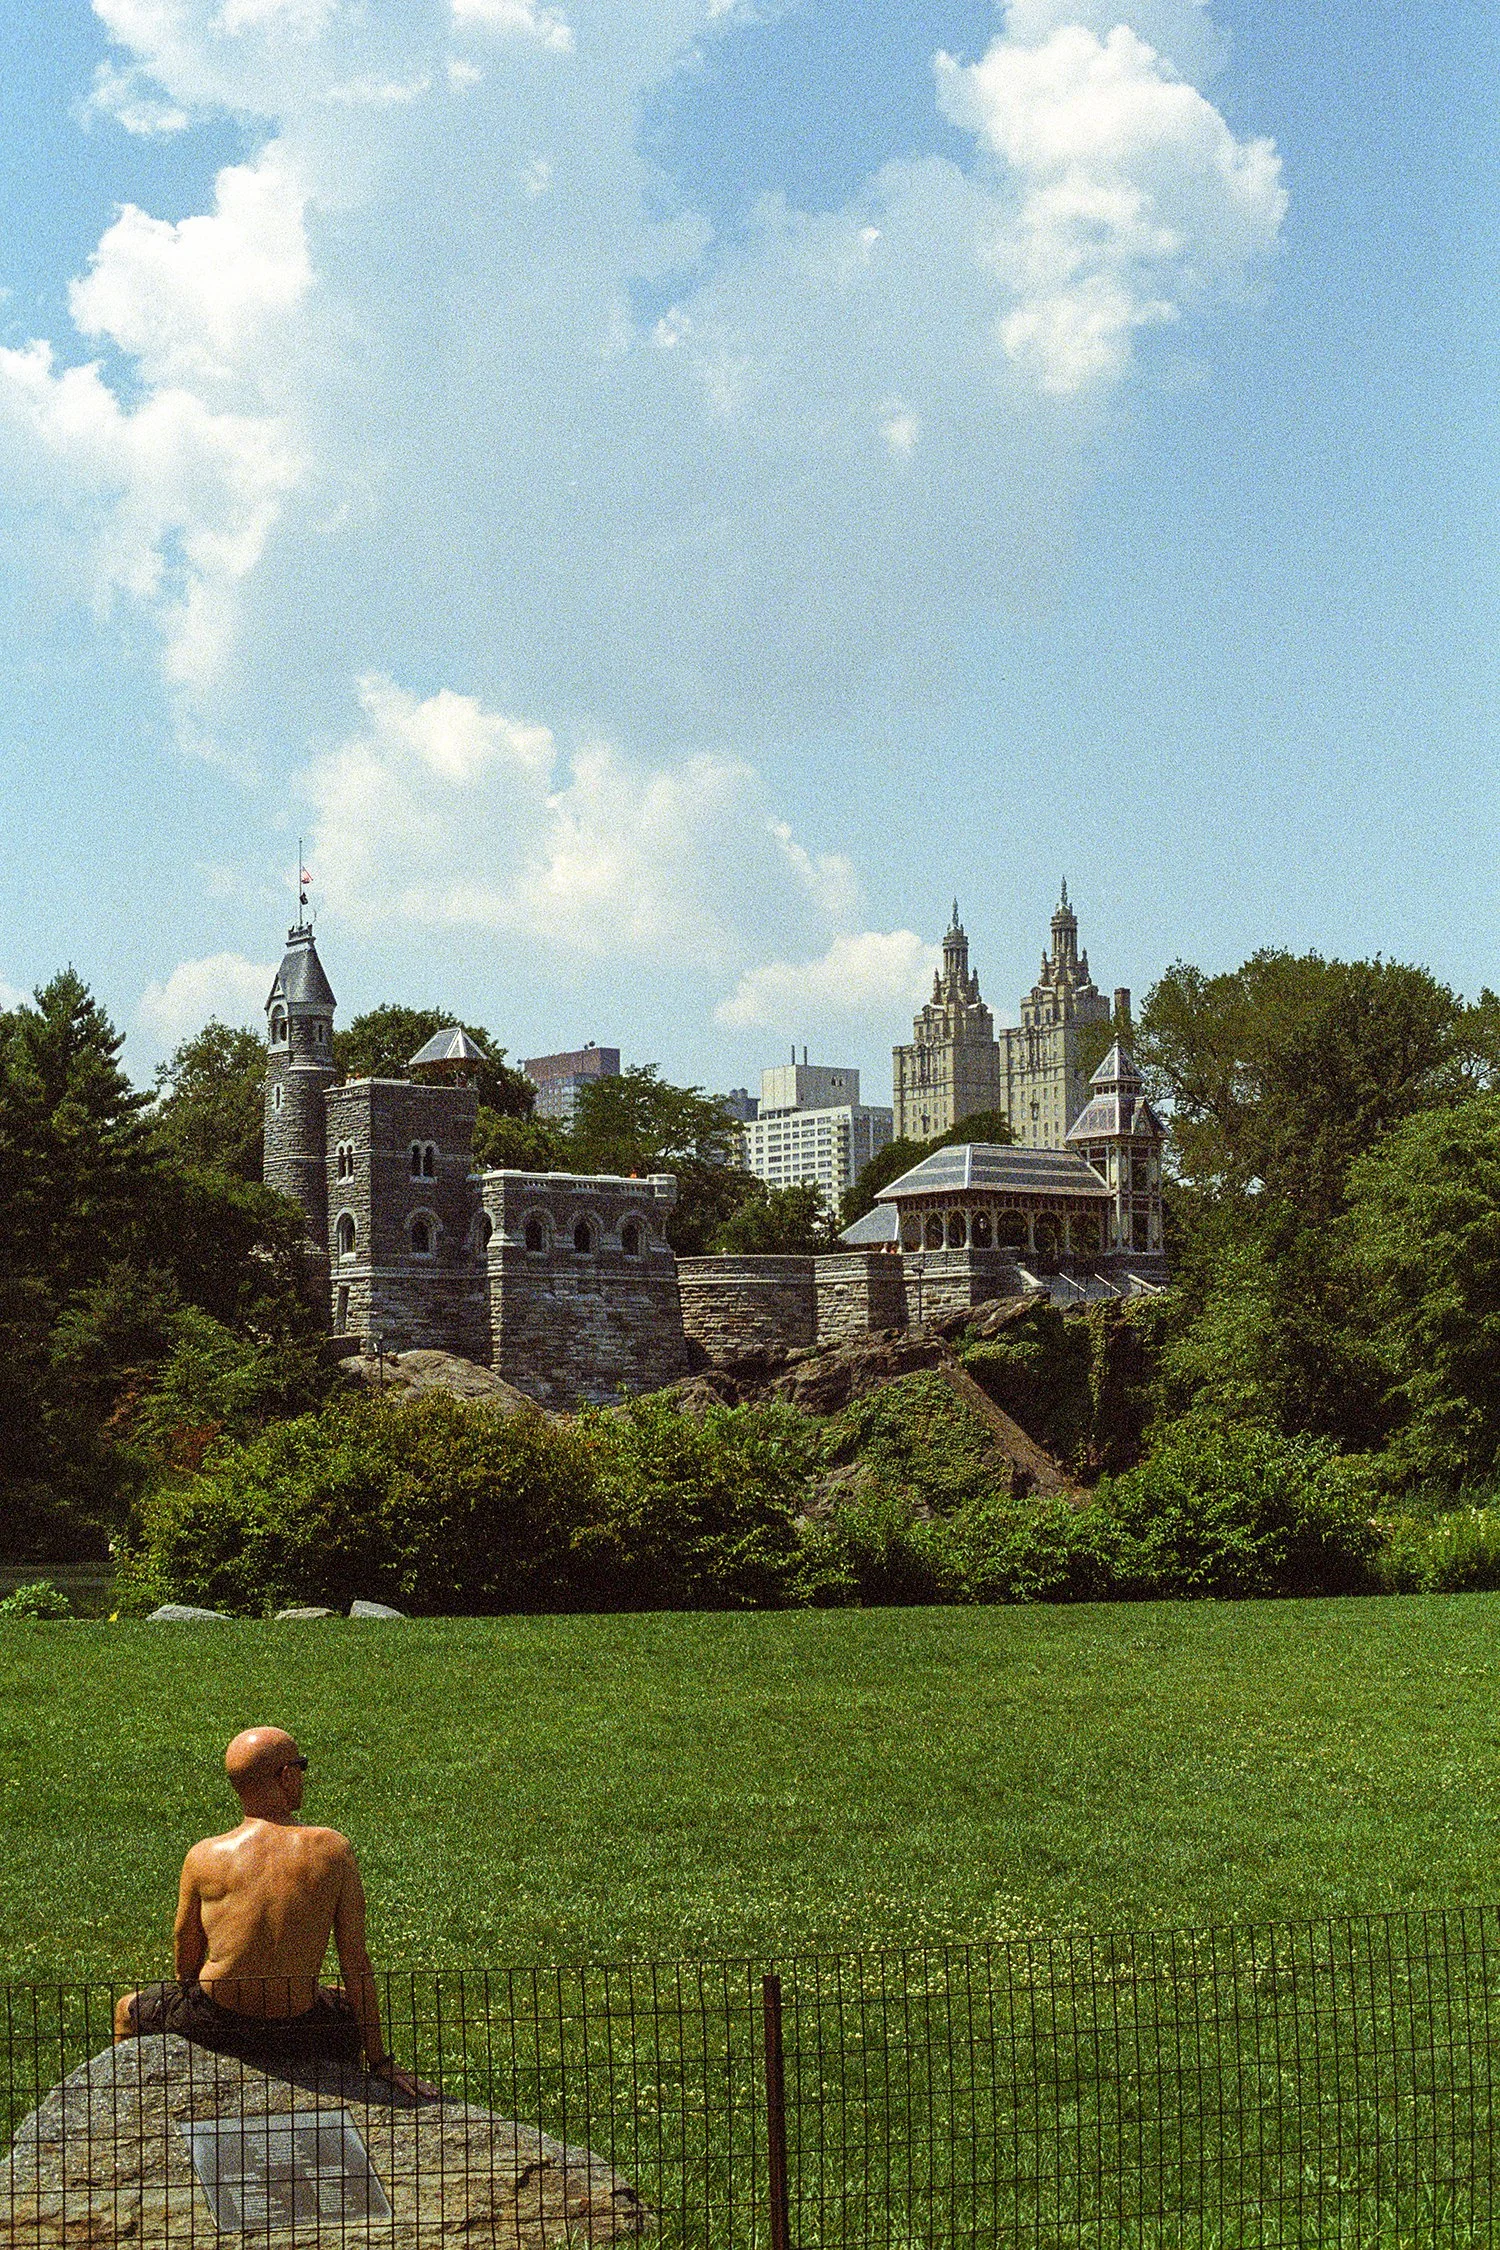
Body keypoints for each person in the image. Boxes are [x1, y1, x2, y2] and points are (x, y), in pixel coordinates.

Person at [114, 1727, 433, 2097]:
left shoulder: (203, 1855)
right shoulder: (333, 1850)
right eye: (300, 1766)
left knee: (127, 2008)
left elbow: (185, 1961)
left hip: (217, 2025)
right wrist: (379, 2060)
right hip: (296, 2029)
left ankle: (132, 2105)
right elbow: (355, 1962)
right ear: (287, 1776)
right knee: (342, 2000)